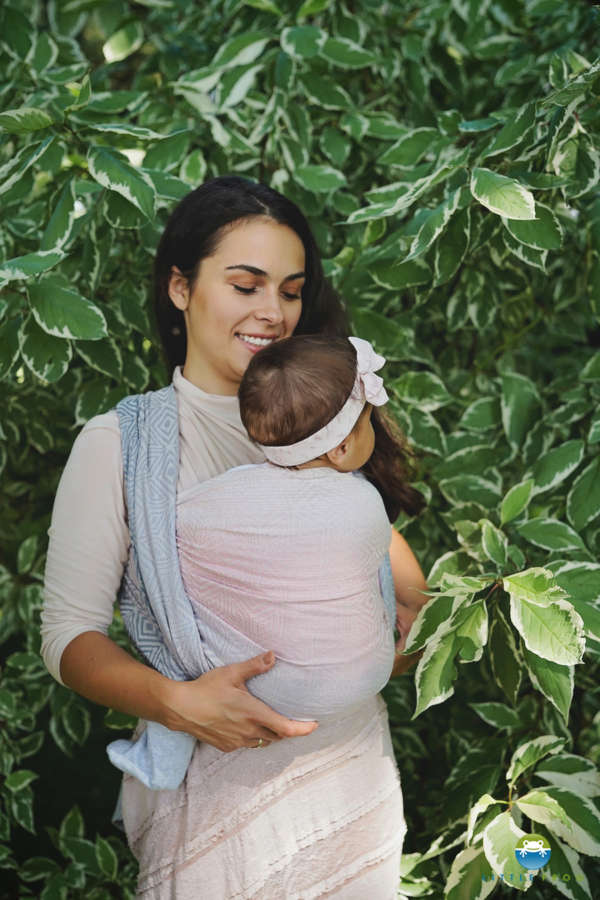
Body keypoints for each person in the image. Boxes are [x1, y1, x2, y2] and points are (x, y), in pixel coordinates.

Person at [41, 175, 429, 898]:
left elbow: (396, 585)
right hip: (214, 790)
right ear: (180, 288)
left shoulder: (318, 425)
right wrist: (174, 702)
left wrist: (397, 638)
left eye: (290, 290)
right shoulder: (121, 445)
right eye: (245, 285)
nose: (272, 312)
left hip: (346, 776)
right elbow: (68, 637)